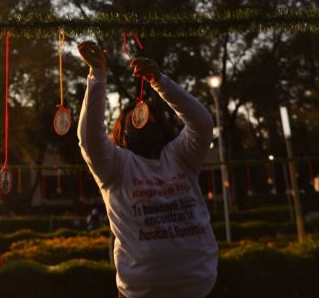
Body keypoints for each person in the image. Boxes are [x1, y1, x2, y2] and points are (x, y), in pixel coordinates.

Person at [76, 41, 218, 298]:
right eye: (133, 120)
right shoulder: (115, 167)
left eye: (148, 118)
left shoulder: (180, 157)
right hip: (140, 293)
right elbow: (90, 138)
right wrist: (97, 76)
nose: (143, 122)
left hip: (199, 288)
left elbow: (202, 123)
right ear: (121, 131)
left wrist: (160, 81)